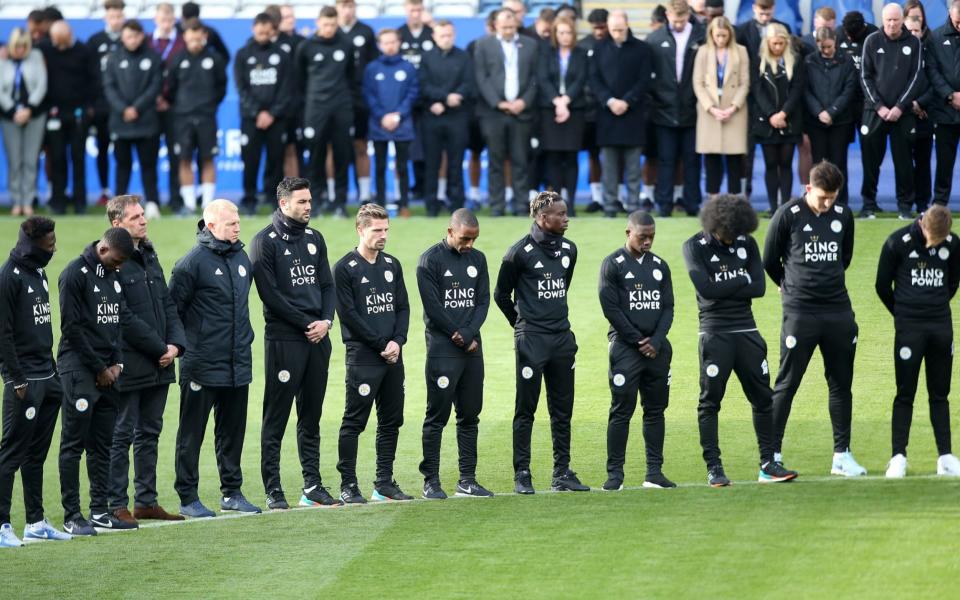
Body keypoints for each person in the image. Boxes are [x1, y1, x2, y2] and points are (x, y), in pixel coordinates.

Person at [682, 195, 798, 486]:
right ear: (714, 225)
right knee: (710, 403)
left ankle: (768, 463)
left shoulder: (746, 242)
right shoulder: (693, 246)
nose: (733, 239)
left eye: (737, 233)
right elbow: (706, 290)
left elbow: (759, 287)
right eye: (728, 234)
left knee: (763, 399)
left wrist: (729, 285)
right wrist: (741, 281)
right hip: (714, 333)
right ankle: (714, 468)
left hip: (747, 331)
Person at [762, 161, 865, 476]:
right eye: (822, 197)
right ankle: (771, 457)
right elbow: (769, 259)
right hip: (800, 311)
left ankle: (841, 455)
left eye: (833, 197)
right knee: (787, 383)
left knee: (841, 384)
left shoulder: (844, 216)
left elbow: (843, 258)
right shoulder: (788, 215)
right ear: (809, 189)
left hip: (837, 310)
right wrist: (789, 286)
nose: (828, 203)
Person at [249, 177, 339, 509]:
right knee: (276, 416)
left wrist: (326, 322)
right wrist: (307, 323)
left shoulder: (316, 238)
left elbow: (328, 286)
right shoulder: (264, 242)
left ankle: (312, 485)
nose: (308, 207)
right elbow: (270, 296)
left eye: (310, 201)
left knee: (311, 416)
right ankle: (273, 490)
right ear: (284, 204)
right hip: (285, 340)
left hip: (318, 339)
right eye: (301, 202)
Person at [169, 200, 261, 518]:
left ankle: (232, 493)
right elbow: (173, 314)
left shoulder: (241, 257)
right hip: (202, 363)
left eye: (238, 222)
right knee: (191, 432)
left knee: (232, 431)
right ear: (210, 226)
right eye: (231, 223)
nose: (238, 227)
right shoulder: (190, 264)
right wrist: (185, 349)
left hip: (238, 361)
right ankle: (187, 497)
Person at [494, 191, 589, 494]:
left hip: (562, 339)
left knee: (562, 410)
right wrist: (522, 325)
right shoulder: (518, 253)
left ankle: (562, 472)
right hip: (532, 341)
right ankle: (522, 473)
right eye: (560, 214)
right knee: (526, 409)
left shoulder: (570, 250)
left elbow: (563, 285)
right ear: (542, 218)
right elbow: (501, 295)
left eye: (566, 213)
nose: (566, 219)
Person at [105, 196, 185, 524]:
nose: (143, 220)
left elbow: (166, 303)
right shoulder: (112, 259)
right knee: (122, 433)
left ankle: (146, 501)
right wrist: (158, 347)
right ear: (116, 224)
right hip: (130, 361)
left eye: (143, 215)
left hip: (160, 360)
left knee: (150, 430)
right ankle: (115, 503)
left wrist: (176, 344)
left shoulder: (149, 254)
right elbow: (121, 315)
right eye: (136, 217)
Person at [57, 227, 135, 535]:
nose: (119, 267)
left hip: (107, 372)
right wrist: (100, 367)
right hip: (79, 369)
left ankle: (100, 511)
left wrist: (116, 362)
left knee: (102, 444)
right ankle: (72, 514)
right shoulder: (73, 275)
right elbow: (71, 329)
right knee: (73, 443)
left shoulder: (112, 276)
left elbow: (116, 324)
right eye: (116, 261)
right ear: (103, 250)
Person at [0, 218, 71, 547]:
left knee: (36, 455)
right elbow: (3, 334)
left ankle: (36, 521)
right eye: (49, 244)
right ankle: (1, 525)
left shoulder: (39, 273)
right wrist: (14, 377)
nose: (54, 248)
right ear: (34, 245)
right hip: (24, 382)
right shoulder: (9, 278)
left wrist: (53, 371)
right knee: (11, 454)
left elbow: (42, 325)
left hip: (48, 377)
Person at [334, 203, 412, 503]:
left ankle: (383, 482)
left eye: (386, 230)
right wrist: (382, 345)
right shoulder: (345, 268)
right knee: (354, 421)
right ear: (360, 229)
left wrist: (398, 341)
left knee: (391, 420)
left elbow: (402, 306)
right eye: (376, 230)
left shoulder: (392, 265)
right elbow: (350, 315)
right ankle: (348, 484)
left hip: (393, 355)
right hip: (364, 357)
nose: (383, 236)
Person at [875, 204, 960, 477]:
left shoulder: (953, 243)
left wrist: (933, 306)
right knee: (905, 393)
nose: (936, 244)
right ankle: (898, 456)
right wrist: (903, 313)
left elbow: (953, 282)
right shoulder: (896, 242)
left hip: (940, 328)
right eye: (933, 238)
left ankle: (945, 457)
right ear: (923, 225)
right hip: (909, 330)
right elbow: (881, 285)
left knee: (940, 394)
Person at [416, 208, 493, 499]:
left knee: (470, 415)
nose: (469, 245)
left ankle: (467, 479)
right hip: (442, 350)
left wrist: (470, 334)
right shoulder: (429, 261)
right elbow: (433, 307)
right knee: (436, 416)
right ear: (450, 232)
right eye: (464, 239)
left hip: (472, 348)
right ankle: (431, 481)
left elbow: (483, 300)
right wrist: (458, 335)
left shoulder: (478, 259)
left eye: (473, 239)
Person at [598, 211, 676, 491]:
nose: (648, 241)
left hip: (657, 351)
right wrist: (637, 340)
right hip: (625, 349)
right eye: (643, 236)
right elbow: (611, 309)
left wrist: (655, 341)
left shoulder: (660, 266)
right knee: (621, 410)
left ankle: (654, 472)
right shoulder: (613, 265)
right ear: (628, 233)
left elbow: (668, 307)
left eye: (652, 236)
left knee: (655, 411)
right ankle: (615, 475)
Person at [859, 4, 923, 219]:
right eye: (888, 20)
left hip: (902, 113)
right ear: (883, 19)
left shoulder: (914, 43)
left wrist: (899, 107)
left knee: (904, 162)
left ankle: (905, 206)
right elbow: (865, 76)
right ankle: (869, 204)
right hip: (875, 111)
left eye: (896, 20)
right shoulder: (872, 41)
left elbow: (915, 78)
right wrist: (879, 106)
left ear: (902, 19)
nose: (892, 24)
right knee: (870, 161)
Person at [474, 8, 538, 217]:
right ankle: (497, 206)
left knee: (521, 160)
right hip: (494, 113)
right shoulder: (483, 44)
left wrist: (524, 101)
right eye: (504, 27)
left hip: (522, 111)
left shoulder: (530, 45)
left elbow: (535, 79)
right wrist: (498, 102)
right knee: (495, 161)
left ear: (517, 25)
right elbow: (481, 77)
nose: (508, 30)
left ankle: (521, 206)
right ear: (495, 25)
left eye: (511, 26)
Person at [590, 10, 653, 218]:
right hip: (607, 117)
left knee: (634, 168)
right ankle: (609, 207)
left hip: (633, 116)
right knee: (608, 168)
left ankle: (633, 207)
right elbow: (594, 80)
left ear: (627, 25)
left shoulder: (642, 49)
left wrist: (627, 101)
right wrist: (609, 101)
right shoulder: (598, 49)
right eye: (613, 29)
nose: (616, 33)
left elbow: (644, 80)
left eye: (620, 29)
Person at [295, 6, 354, 218]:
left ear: (337, 23)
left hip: (341, 108)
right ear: (318, 22)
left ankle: (340, 202)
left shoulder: (346, 45)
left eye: (333, 24)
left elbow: (352, 77)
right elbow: (299, 81)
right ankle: (316, 202)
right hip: (315, 109)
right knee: (316, 158)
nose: (329, 28)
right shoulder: (306, 46)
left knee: (342, 156)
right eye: (325, 24)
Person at [648, 0, 705, 217]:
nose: (678, 24)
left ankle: (692, 205)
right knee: (665, 160)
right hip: (664, 110)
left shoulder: (702, 35)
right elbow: (649, 74)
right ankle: (663, 205)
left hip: (693, 109)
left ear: (688, 14)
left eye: (682, 20)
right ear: (667, 15)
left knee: (692, 161)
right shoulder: (655, 38)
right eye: (675, 20)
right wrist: (657, 98)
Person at [235, 13, 293, 215]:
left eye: (268, 32)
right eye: (260, 31)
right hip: (251, 119)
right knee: (250, 161)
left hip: (276, 120)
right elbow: (241, 89)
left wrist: (271, 113)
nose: (264, 35)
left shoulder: (282, 55)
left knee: (275, 161)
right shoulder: (243, 54)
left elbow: (286, 89)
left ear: (273, 31)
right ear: (253, 29)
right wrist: (257, 112)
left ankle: (273, 199)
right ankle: (249, 199)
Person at [167, 21, 228, 214]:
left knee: (208, 157)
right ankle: (189, 204)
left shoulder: (215, 59)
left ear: (204, 36)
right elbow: (170, 88)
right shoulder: (177, 59)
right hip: (182, 117)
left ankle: (207, 204)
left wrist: (208, 105)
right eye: (190, 36)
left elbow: (221, 88)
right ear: (184, 37)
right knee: (184, 159)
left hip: (206, 116)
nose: (194, 40)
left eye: (198, 36)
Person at [102, 20, 163, 214]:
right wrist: (124, 109)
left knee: (149, 165)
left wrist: (136, 108)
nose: (133, 40)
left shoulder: (153, 58)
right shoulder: (113, 59)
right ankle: (118, 207)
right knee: (122, 166)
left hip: (146, 121)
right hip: (121, 122)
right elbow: (109, 87)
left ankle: (153, 203)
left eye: (136, 36)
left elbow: (155, 86)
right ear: (123, 37)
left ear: (142, 36)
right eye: (129, 36)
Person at [40, 21, 96, 215]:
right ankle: (58, 202)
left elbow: (93, 79)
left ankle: (80, 202)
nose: (56, 44)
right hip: (55, 112)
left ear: (68, 36)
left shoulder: (83, 51)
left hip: (78, 112)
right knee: (57, 158)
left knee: (78, 159)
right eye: (54, 39)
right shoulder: (47, 48)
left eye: (59, 40)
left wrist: (89, 106)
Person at [419, 20, 473, 216]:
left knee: (456, 163)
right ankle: (431, 205)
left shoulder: (464, 57)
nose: (446, 39)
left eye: (449, 35)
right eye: (442, 35)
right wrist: (443, 98)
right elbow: (423, 85)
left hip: (457, 116)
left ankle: (457, 204)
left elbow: (468, 83)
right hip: (432, 116)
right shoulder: (426, 58)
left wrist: (454, 97)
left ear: (454, 34)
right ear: (434, 36)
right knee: (432, 163)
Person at [749, 23, 804, 213]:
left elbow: (797, 89)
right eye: (774, 43)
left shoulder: (795, 60)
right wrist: (772, 114)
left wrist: (783, 113)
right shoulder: (758, 61)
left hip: (789, 121)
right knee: (771, 164)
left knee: (786, 163)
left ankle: (785, 206)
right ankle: (773, 207)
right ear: (767, 42)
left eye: (781, 43)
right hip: (766, 122)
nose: (778, 47)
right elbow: (757, 90)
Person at [363, 28, 419, 214]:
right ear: (380, 45)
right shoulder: (372, 68)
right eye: (386, 42)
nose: (390, 46)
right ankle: (379, 206)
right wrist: (382, 116)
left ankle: (404, 205)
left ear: (399, 43)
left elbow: (412, 94)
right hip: (379, 124)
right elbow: (369, 95)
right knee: (379, 166)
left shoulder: (408, 67)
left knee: (402, 166)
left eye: (393, 42)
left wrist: (397, 115)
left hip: (402, 123)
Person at [693, 16, 748, 197]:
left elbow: (744, 83)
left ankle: (734, 200)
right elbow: (698, 83)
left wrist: (733, 107)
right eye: (718, 36)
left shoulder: (740, 51)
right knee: (711, 159)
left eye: (724, 36)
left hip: (734, 112)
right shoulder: (703, 52)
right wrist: (710, 107)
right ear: (711, 34)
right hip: (710, 111)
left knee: (734, 159)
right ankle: (713, 200)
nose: (721, 39)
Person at [538, 16, 587, 213]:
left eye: (568, 32)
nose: (565, 36)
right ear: (555, 34)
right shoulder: (546, 53)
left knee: (571, 157)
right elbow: (542, 79)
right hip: (550, 111)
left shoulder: (581, 53)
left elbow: (581, 79)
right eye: (561, 33)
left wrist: (566, 101)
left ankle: (571, 203)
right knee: (554, 158)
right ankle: (557, 204)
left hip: (574, 110)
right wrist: (557, 101)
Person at [803, 27, 856, 206]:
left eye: (829, 47)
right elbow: (806, 89)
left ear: (836, 41)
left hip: (840, 121)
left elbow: (849, 89)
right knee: (818, 163)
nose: (826, 51)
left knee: (839, 162)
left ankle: (840, 202)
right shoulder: (809, 61)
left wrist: (832, 111)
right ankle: (817, 199)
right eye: (822, 47)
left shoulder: (846, 60)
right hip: (816, 122)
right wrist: (819, 112)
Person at [0, 29, 46, 217]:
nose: (20, 50)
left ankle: (28, 201)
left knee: (30, 159)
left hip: (34, 115)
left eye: (24, 46)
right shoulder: (3, 60)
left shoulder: (36, 57)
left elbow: (41, 84)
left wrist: (29, 109)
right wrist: (12, 110)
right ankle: (16, 200)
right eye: (16, 46)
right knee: (15, 160)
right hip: (9, 116)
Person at [337, 0, 378, 205]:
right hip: (336, 99)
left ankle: (364, 194)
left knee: (361, 145)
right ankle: (334, 193)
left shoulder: (366, 32)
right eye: (344, 6)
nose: (347, 10)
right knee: (334, 147)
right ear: (337, 8)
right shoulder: (331, 32)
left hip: (360, 98)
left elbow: (373, 67)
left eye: (351, 6)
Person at [88, 0, 127, 207]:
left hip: (122, 107)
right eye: (112, 16)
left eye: (119, 16)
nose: (116, 20)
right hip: (102, 107)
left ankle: (121, 195)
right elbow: (89, 75)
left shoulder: (129, 39)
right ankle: (104, 190)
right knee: (102, 148)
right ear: (105, 17)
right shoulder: (95, 41)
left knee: (122, 150)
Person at [151, 3, 187, 215]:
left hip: (175, 108)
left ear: (174, 19)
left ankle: (176, 199)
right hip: (150, 108)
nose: (166, 23)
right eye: (162, 19)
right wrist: (155, 97)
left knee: (176, 156)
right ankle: (153, 201)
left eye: (169, 19)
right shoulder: (147, 41)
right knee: (150, 156)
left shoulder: (182, 42)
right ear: (156, 19)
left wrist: (168, 98)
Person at [904, 7, 935, 218]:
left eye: (917, 30)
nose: (914, 34)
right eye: (910, 30)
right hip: (905, 113)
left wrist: (920, 104)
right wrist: (909, 104)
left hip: (925, 113)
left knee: (923, 162)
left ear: (922, 30)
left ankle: (923, 202)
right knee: (904, 161)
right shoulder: (896, 52)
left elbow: (935, 80)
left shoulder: (930, 52)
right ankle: (905, 202)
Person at [928, 0, 960, 207]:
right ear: (950, 13)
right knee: (944, 161)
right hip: (945, 111)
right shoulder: (936, 37)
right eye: (958, 22)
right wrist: (950, 95)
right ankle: (940, 203)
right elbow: (932, 70)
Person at [577, 8, 609, 212]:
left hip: (610, 109)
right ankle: (596, 196)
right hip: (588, 111)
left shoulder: (614, 44)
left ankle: (614, 196)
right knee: (593, 154)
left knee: (615, 156)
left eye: (602, 27)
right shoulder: (583, 46)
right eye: (595, 28)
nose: (598, 31)